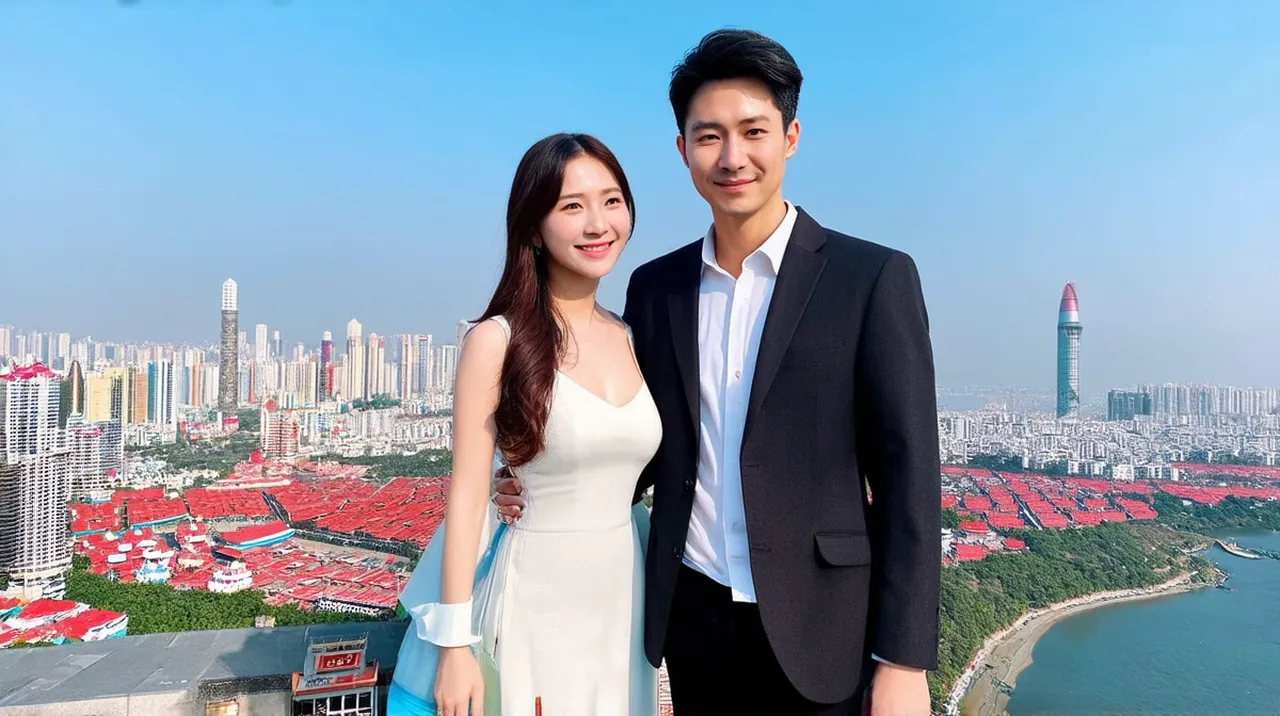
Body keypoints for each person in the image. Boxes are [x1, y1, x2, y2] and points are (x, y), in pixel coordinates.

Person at [493, 28, 942, 715]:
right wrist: (537, 480)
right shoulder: (656, 288)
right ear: (683, 150)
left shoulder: (871, 278)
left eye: (753, 131)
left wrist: (903, 661)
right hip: (693, 622)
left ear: (791, 137)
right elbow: (648, 440)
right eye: (709, 137)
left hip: (827, 630)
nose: (732, 157)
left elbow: (909, 478)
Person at [391, 133, 660, 716]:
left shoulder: (635, 335)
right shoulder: (497, 340)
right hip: (536, 594)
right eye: (572, 206)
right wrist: (454, 645)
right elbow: (466, 495)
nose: (598, 223)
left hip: (624, 596)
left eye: (611, 201)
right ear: (534, 228)